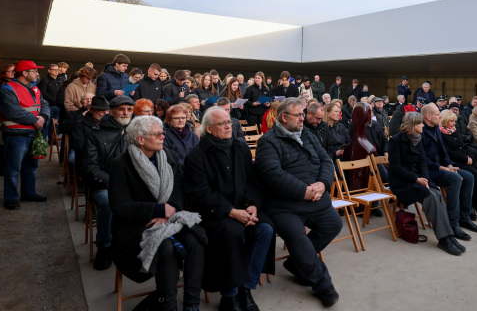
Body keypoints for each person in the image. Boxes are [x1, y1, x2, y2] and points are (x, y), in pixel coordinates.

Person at [109, 115, 205, 311]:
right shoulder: (121, 164)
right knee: (165, 247)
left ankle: (191, 302)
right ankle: (168, 302)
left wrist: (167, 212)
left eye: (162, 133)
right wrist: (157, 210)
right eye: (158, 134)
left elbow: (179, 190)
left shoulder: (168, 157)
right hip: (136, 226)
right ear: (141, 139)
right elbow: (121, 206)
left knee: (196, 240)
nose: (163, 137)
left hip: (170, 217)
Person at [253, 97, 342, 307]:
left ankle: (295, 263)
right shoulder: (268, 141)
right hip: (284, 207)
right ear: (284, 117)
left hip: (316, 199)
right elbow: (272, 175)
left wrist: (323, 183)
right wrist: (304, 191)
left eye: (303, 114)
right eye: (299, 115)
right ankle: (323, 284)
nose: (304, 118)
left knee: (334, 224)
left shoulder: (307, 135)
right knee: (298, 238)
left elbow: (324, 161)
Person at [183, 107, 275, 311]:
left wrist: (252, 205)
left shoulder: (240, 147)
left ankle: (246, 289)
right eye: (223, 123)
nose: (229, 126)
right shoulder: (196, 156)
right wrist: (231, 212)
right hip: (214, 214)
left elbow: (252, 180)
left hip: (243, 207)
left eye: (229, 122)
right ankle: (229, 295)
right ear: (208, 129)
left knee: (265, 229)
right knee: (231, 232)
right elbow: (200, 194)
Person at [388, 111, 465, 256]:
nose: (423, 125)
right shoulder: (396, 141)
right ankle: (443, 238)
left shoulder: (418, 138)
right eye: (420, 123)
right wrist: (417, 179)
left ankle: (448, 235)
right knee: (430, 195)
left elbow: (422, 161)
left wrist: (425, 179)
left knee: (436, 193)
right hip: (402, 182)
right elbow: (395, 168)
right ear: (412, 125)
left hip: (418, 179)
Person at [82, 95, 134, 270]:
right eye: (121, 109)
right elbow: (90, 168)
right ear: (111, 112)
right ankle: (104, 247)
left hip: (132, 184)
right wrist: (113, 183)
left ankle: (139, 242)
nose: (126, 112)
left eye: (129, 109)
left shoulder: (137, 131)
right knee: (109, 202)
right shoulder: (96, 134)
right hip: (104, 185)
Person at [0, 60, 51, 210]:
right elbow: (12, 111)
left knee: (31, 167)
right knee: (13, 169)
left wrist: (44, 117)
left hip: (32, 133)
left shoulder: (34, 88)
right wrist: (36, 120)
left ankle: (28, 193)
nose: (38, 74)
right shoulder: (6, 89)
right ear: (24, 73)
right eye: (34, 71)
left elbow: (44, 105)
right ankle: (11, 199)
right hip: (16, 136)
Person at [420, 104, 477, 236]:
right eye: (437, 114)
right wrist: (441, 167)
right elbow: (422, 158)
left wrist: (448, 165)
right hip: (429, 171)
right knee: (456, 179)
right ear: (428, 116)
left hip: (441, 168)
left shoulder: (436, 129)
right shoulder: (421, 131)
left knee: (469, 177)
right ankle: (452, 223)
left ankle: (464, 217)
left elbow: (444, 152)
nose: (440, 116)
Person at [439, 109, 477, 218]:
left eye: (454, 121)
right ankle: (471, 205)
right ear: (444, 121)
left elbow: (464, 146)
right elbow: (447, 152)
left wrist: (470, 156)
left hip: (464, 159)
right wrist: (464, 158)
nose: (454, 124)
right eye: (451, 121)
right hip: (454, 162)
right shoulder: (441, 134)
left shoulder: (454, 131)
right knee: (474, 175)